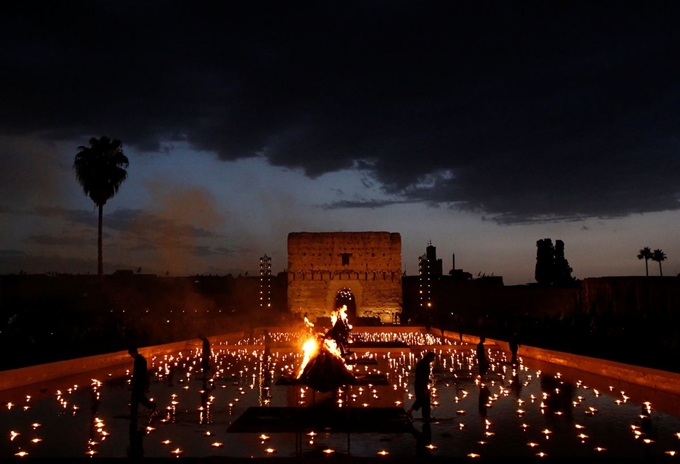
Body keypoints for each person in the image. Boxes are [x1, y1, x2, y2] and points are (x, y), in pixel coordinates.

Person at [406, 351, 436, 422]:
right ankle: (423, 416)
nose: (433, 360)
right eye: (433, 358)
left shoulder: (423, 363)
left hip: (419, 383)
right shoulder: (424, 364)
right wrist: (425, 387)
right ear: (429, 357)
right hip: (421, 384)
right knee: (424, 400)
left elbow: (421, 374)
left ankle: (424, 416)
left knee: (422, 400)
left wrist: (428, 380)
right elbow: (422, 375)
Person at [128, 346, 155, 418]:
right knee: (136, 397)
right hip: (140, 381)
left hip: (140, 382)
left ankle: (151, 405)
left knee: (138, 397)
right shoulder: (139, 359)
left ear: (134, 353)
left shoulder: (139, 360)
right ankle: (134, 413)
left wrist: (134, 382)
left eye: (131, 354)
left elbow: (139, 373)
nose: (131, 356)